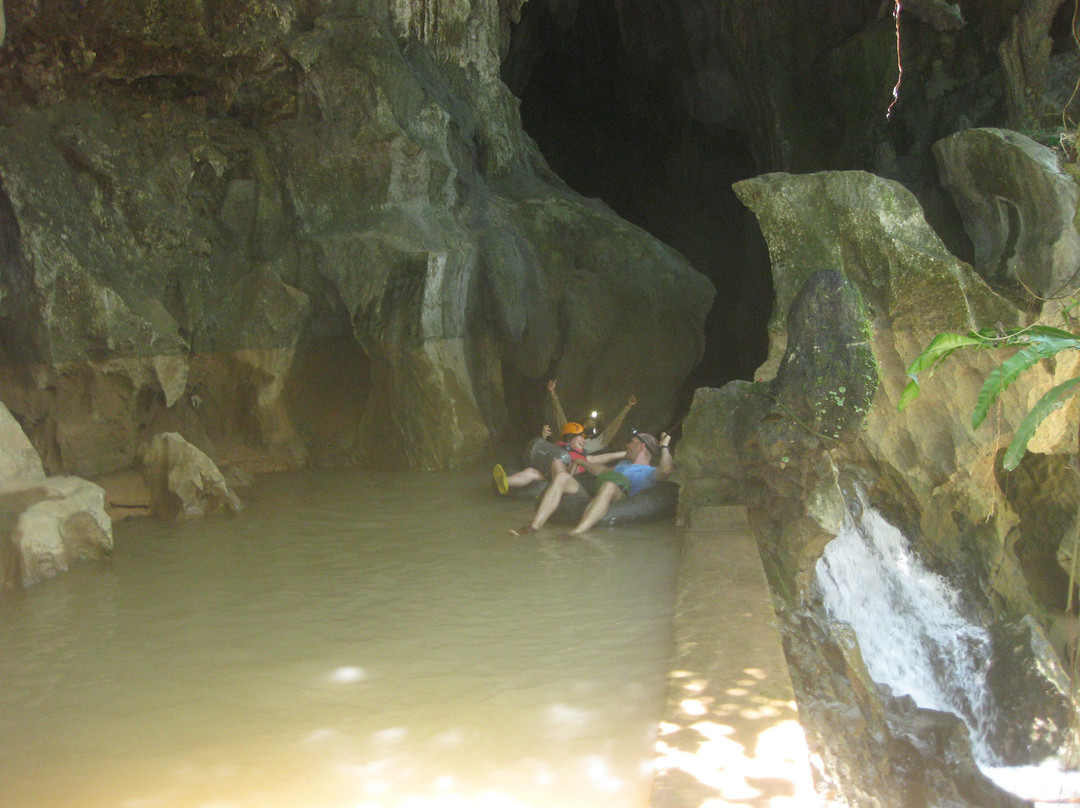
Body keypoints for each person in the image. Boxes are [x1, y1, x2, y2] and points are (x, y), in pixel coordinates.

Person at [511, 430, 673, 535]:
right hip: (596, 493)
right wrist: (581, 463)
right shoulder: (623, 465)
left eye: (631, 442)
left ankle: (576, 532)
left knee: (609, 486)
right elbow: (602, 471)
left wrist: (664, 446)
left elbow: (666, 471)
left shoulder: (650, 472)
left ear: (641, 446)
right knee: (561, 477)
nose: (627, 445)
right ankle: (535, 526)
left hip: (619, 496)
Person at [493, 422, 590, 495]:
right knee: (530, 472)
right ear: (569, 438)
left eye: (584, 438)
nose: (583, 441)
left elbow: (600, 458)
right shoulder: (558, 448)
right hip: (549, 472)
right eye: (580, 437)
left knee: (551, 466)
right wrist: (543, 438)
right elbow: (543, 451)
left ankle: (558, 485)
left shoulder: (584, 456)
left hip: (561, 476)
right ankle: (506, 481)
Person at [547, 379, 636, 453]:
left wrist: (628, 407)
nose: (590, 424)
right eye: (587, 423)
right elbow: (560, 418)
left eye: (593, 424)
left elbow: (611, 429)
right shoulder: (570, 435)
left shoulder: (592, 445)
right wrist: (553, 394)